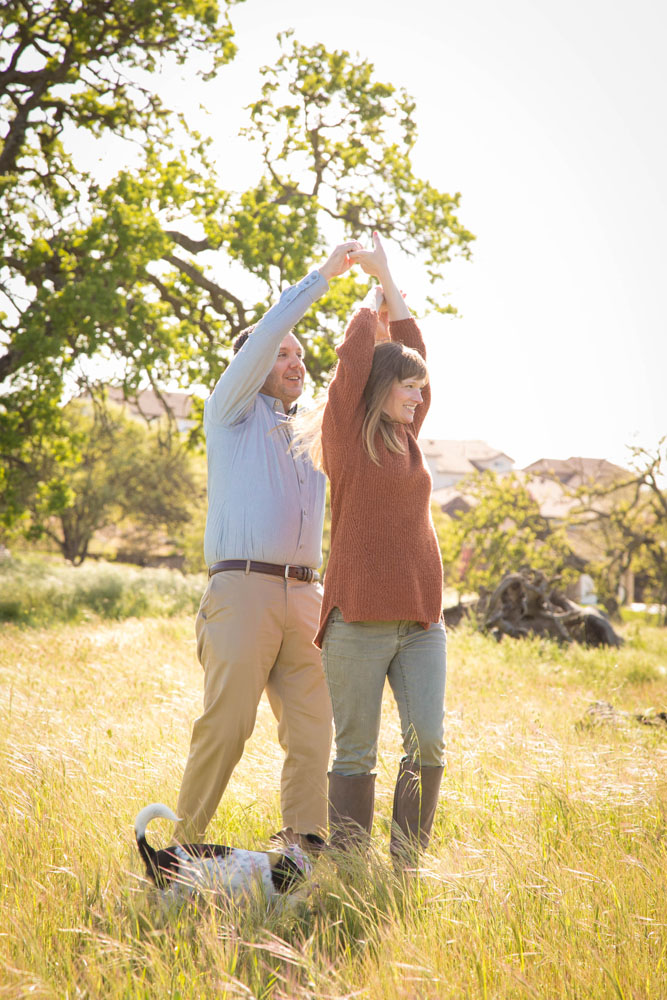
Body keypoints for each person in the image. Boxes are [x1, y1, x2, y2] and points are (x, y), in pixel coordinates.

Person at [173, 241, 362, 849]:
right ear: (253, 363)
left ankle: (303, 851)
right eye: (282, 354)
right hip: (242, 591)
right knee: (228, 726)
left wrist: (381, 307)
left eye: (301, 356)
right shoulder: (228, 411)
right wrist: (320, 279)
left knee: (313, 732)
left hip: (307, 598)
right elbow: (271, 329)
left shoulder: (311, 430)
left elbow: (361, 387)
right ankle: (178, 847)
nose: (295, 362)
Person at [303, 233, 447, 863]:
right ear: (380, 388)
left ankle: (406, 870)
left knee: (429, 746)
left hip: (420, 621)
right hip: (356, 622)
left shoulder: (408, 438)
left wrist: (392, 282)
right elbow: (356, 361)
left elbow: (411, 352)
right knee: (356, 751)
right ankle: (350, 874)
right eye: (408, 388)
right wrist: (371, 297)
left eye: (420, 390)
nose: (419, 397)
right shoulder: (347, 441)